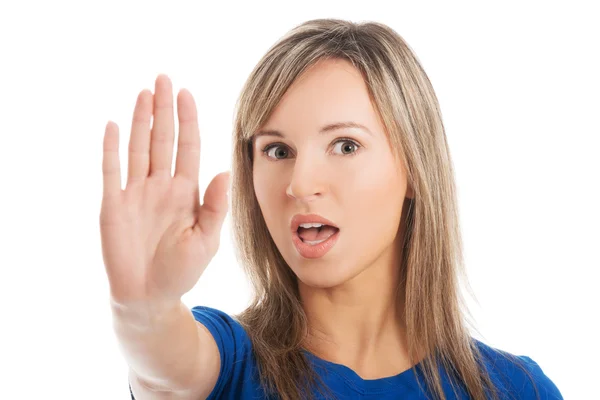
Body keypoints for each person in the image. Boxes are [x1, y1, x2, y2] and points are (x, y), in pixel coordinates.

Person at [100, 19, 564, 400]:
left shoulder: (516, 390)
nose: (300, 184)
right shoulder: (231, 364)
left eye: (345, 145)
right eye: (277, 151)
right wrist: (145, 307)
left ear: (415, 170)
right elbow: (163, 366)